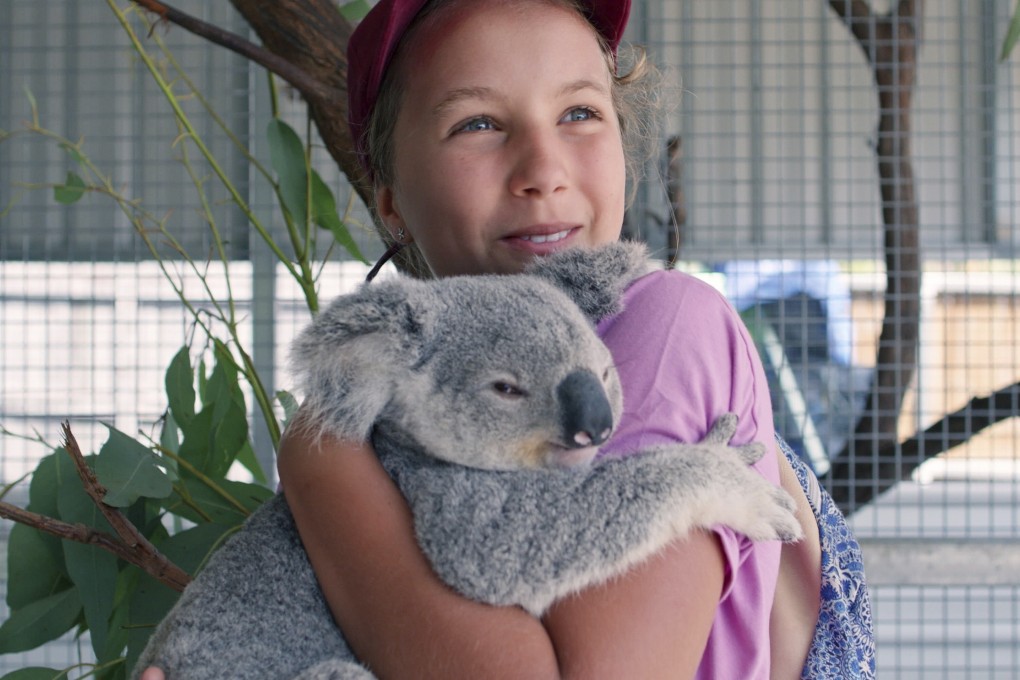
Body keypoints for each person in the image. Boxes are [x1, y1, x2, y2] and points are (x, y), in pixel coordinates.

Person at [143, 0, 833, 677]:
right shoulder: (388, 396)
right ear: (386, 196)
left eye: (580, 113)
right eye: (478, 123)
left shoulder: (665, 322)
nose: (542, 169)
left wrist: (327, 478)